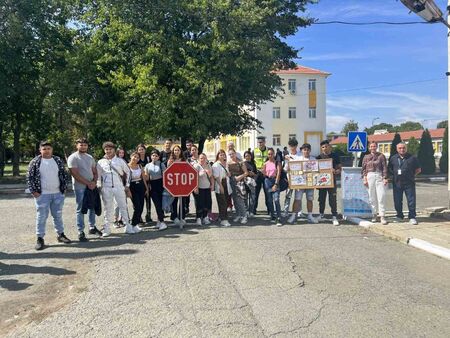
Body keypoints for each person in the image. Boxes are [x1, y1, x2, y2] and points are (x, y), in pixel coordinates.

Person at [27, 141, 71, 250]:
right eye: (44, 149)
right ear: (40, 150)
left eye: (48, 148)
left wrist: (64, 189)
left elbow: (64, 175)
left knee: (58, 215)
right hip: (42, 195)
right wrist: (34, 192)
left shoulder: (57, 160)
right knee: (41, 217)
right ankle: (40, 238)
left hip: (57, 194)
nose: (46, 151)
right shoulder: (35, 162)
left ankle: (61, 235)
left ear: (52, 149)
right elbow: (30, 177)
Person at [97, 141, 137, 236]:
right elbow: (98, 176)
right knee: (108, 208)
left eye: (110, 149)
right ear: (104, 150)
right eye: (106, 149)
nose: (108, 151)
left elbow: (128, 172)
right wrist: (99, 186)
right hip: (106, 188)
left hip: (119, 187)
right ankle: (107, 228)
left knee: (123, 206)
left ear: (114, 150)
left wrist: (127, 185)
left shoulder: (120, 161)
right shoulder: (100, 162)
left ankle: (128, 226)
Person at [67, 138, 102, 241]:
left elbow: (94, 171)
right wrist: (88, 183)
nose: (83, 147)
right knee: (81, 209)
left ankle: (92, 227)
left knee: (92, 207)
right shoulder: (73, 157)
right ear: (77, 146)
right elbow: (75, 174)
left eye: (85, 145)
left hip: (91, 186)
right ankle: (80, 231)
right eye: (81, 145)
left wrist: (94, 182)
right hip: (80, 187)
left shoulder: (90, 157)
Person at [388, 142, 421, 225]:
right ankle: (399, 215)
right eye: (400, 148)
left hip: (409, 183)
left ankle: (412, 217)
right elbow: (390, 169)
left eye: (403, 148)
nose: (402, 149)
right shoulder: (393, 158)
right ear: (397, 149)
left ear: (406, 148)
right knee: (397, 201)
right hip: (397, 183)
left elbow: (418, 170)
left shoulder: (412, 158)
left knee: (411, 201)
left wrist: (411, 175)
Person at [286, 143, 318, 224]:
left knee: (310, 200)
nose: (306, 151)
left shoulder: (313, 159)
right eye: (304, 150)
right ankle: (293, 216)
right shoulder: (297, 158)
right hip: (300, 183)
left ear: (310, 150)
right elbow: (289, 168)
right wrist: (288, 162)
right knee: (297, 200)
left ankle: (310, 216)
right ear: (302, 151)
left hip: (310, 183)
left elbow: (318, 171)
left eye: (307, 150)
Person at [361, 142, 388, 225]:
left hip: (379, 175)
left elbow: (384, 167)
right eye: (371, 146)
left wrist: (385, 178)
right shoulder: (366, 157)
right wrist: (364, 178)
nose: (373, 148)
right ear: (369, 148)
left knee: (381, 196)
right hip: (370, 176)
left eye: (374, 146)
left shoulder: (381, 156)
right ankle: (374, 214)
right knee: (371, 197)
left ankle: (382, 216)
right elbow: (363, 169)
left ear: (377, 147)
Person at [316, 140, 341, 226]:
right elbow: (315, 170)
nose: (325, 148)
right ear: (321, 148)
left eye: (326, 146)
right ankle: (321, 214)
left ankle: (334, 216)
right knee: (321, 199)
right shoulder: (318, 157)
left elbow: (339, 169)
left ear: (329, 147)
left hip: (332, 182)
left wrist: (335, 171)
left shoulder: (335, 156)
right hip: (322, 182)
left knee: (332, 199)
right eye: (323, 147)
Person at [144, 150, 167, 230]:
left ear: (158, 157)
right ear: (151, 156)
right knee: (157, 204)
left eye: (156, 156)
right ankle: (160, 221)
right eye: (153, 155)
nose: (154, 157)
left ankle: (161, 221)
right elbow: (146, 177)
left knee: (160, 204)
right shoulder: (147, 165)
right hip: (152, 186)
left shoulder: (161, 164)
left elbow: (166, 175)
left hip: (160, 185)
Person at [167, 145, 188, 228]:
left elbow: (187, 171)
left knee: (182, 201)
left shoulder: (184, 160)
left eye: (178, 150)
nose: (176, 152)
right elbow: (168, 172)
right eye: (175, 150)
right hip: (173, 185)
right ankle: (174, 216)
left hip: (182, 184)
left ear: (180, 151)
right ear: (173, 151)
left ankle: (182, 217)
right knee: (174, 201)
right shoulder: (170, 161)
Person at [262, 148, 283, 226]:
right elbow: (264, 174)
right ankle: (272, 215)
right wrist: (263, 172)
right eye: (269, 154)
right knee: (269, 200)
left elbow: (278, 174)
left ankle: (279, 217)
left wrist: (276, 184)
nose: (270, 155)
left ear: (274, 154)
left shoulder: (277, 163)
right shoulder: (265, 163)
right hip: (267, 181)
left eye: (271, 154)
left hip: (275, 181)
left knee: (276, 199)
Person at [128, 152, 149, 230]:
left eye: (137, 157)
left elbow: (143, 178)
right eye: (134, 156)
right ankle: (132, 224)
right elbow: (125, 180)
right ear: (131, 156)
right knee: (137, 207)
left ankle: (136, 224)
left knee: (141, 206)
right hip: (132, 186)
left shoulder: (140, 166)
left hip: (141, 186)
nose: (136, 158)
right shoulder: (127, 166)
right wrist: (127, 190)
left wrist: (146, 188)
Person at [228, 148, 249, 224]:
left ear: (235, 153)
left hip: (240, 182)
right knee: (234, 199)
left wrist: (239, 177)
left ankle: (244, 216)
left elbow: (246, 173)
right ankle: (238, 214)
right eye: (230, 154)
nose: (231, 155)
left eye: (232, 154)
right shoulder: (228, 163)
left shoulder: (240, 162)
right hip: (232, 182)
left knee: (240, 200)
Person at [192, 153, 214, 226]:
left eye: (204, 158)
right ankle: (198, 218)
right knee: (199, 203)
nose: (202, 160)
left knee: (207, 203)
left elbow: (211, 177)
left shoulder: (208, 165)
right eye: (201, 158)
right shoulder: (196, 166)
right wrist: (195, 187)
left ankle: (205, 217)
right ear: (198, 159)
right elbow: (193, 178)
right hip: (199, 188)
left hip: (207, 188)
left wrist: (212, 185)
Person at [212, 149, 232, 226]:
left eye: (223, 154)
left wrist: (228, 174)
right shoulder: (216, 165)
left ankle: (221, 216)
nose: (222, 156)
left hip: (226, 183)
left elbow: (227, 173)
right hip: (220, 183)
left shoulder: (225, 164)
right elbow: (216, 177)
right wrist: (221, 186)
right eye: (220, 155)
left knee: (226, 201)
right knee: (222, 202)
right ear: (218, 156)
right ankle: (224, 220)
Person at [282, 138, 301, 218]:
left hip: (299, 179)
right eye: (291, 146)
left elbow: (301, 166)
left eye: (294, 145)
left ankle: (299, 211)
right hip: (290, 179)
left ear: (296, 146)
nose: (292, 147)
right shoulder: (287, 156)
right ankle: (286, 211)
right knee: (288, 196)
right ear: (289, 146)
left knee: (298, 197)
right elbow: (285, 169)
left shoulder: (300, 155)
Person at [252, 136, 269, 215]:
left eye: (261, 142)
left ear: (265, 142)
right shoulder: (254, 151)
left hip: (266, 174)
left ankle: (269, 209)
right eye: (259, 142)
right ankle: (253, 210)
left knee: (267, 193)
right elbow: (251, 163)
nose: (260, 144)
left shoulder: (269, 151)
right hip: (257, 174)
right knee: (255, 193)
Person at [114, 147, 129, 228]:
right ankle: (115, 220)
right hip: (115, 184)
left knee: (123, 203)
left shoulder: (125, 161)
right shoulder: (113, 161)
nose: (121, 154)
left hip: (123, 185)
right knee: (116, 204)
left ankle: (121, 219)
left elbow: (127, 173)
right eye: (120, 153)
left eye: (123, 153)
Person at [136, 143, 151, 223]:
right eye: (139, 150)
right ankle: (139, 216)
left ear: (145, 150)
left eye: (142, 149)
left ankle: (148, 215)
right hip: (139, 181)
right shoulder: (137, 159)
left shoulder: (148, 158)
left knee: (148, 199)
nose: (141, 151)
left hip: (148, 181)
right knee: (140, 200)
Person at [243, 151, 257, 218]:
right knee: (245, 198)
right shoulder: (243, 164)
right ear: (244, 157)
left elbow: (256, 173)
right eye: (246, 156)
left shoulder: (253, 164)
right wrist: (248, 173)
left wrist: (253, 174)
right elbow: (242, 172)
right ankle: (246, 211)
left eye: (248, 155)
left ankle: (251, 212)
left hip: (252, 182)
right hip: (245, 182)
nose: (247, 157)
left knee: (252, 198)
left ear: (251, 156)